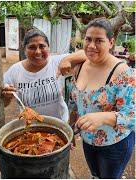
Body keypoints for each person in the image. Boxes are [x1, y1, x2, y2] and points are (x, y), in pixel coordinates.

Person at [67, 18, 135, 178]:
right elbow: (75, 102)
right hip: (88, 140)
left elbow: (132, 116)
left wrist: (103, 117)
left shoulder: (123, 73)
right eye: (88, 39)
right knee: (96, 175)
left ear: (111, 42)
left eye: (99, 40)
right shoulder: (80, 66)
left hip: (115, 144)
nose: (91, 45)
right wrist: (70, 128)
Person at [2, 28, 87, 122]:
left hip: (59, 124)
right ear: (24, 50)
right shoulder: (15, 71)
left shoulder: (56, 62)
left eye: (42, 46)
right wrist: (7, 97)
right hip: (30, 126)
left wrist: (68, 60)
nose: (38, 51)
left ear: (48, 48)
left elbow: (86, 54)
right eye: (32, 47)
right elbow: (3, 104)